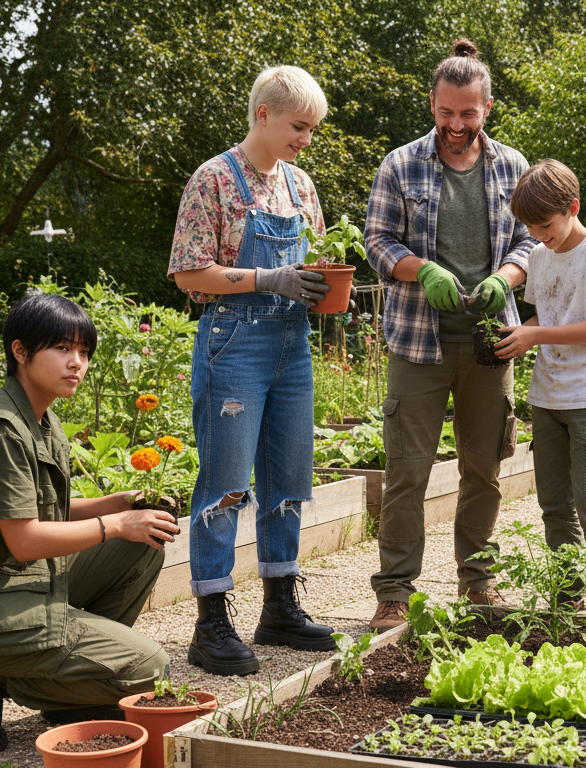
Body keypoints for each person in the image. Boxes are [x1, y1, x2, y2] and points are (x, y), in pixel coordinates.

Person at [0, 293, 182, 754]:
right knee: (149, 667)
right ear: (20, 352)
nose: (77, 363)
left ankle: (66, 680)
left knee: (143, 542)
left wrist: (117, 504)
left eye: (85, 353)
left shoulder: (40, 418)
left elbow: (43, 511)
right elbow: (25, 539)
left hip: (8, 587)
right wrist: (115, 524)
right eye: (62, 349)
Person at [168, 65, 338, 677]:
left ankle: (280, 606)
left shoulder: (300, 185)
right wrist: (271, 278)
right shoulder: (214, 179)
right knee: (225, 486)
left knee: (287, 477)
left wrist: (323, 281)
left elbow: (319, 258)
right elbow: (189, 275)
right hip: (233, 345)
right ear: (263, 114)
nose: (306, 139)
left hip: (292, 347)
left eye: (312, 129)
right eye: (299, 126)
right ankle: (210, 621)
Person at [363, 39, 536, 631]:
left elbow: (531, 241)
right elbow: (378, 241)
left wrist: (506, 278)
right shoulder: (400, 164)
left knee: (484, 468)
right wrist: (423, 269)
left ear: (487, 107)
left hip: (491, 342)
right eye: (445, 113)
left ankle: (476, 581)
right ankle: (393, 590)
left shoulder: (513, 167)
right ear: (432, 106)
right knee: (408, 468)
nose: (456, 125)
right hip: (419, 340)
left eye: (468, 113)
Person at [496, 159, 586, 615]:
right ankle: (566, 599)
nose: (537, 233)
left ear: (573, 207)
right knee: (554, 505)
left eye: (545, 224)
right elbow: (545, 317)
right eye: (530, 226)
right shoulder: (538, 254)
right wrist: (519, 335)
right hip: (547, 394)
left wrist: (534, 335)